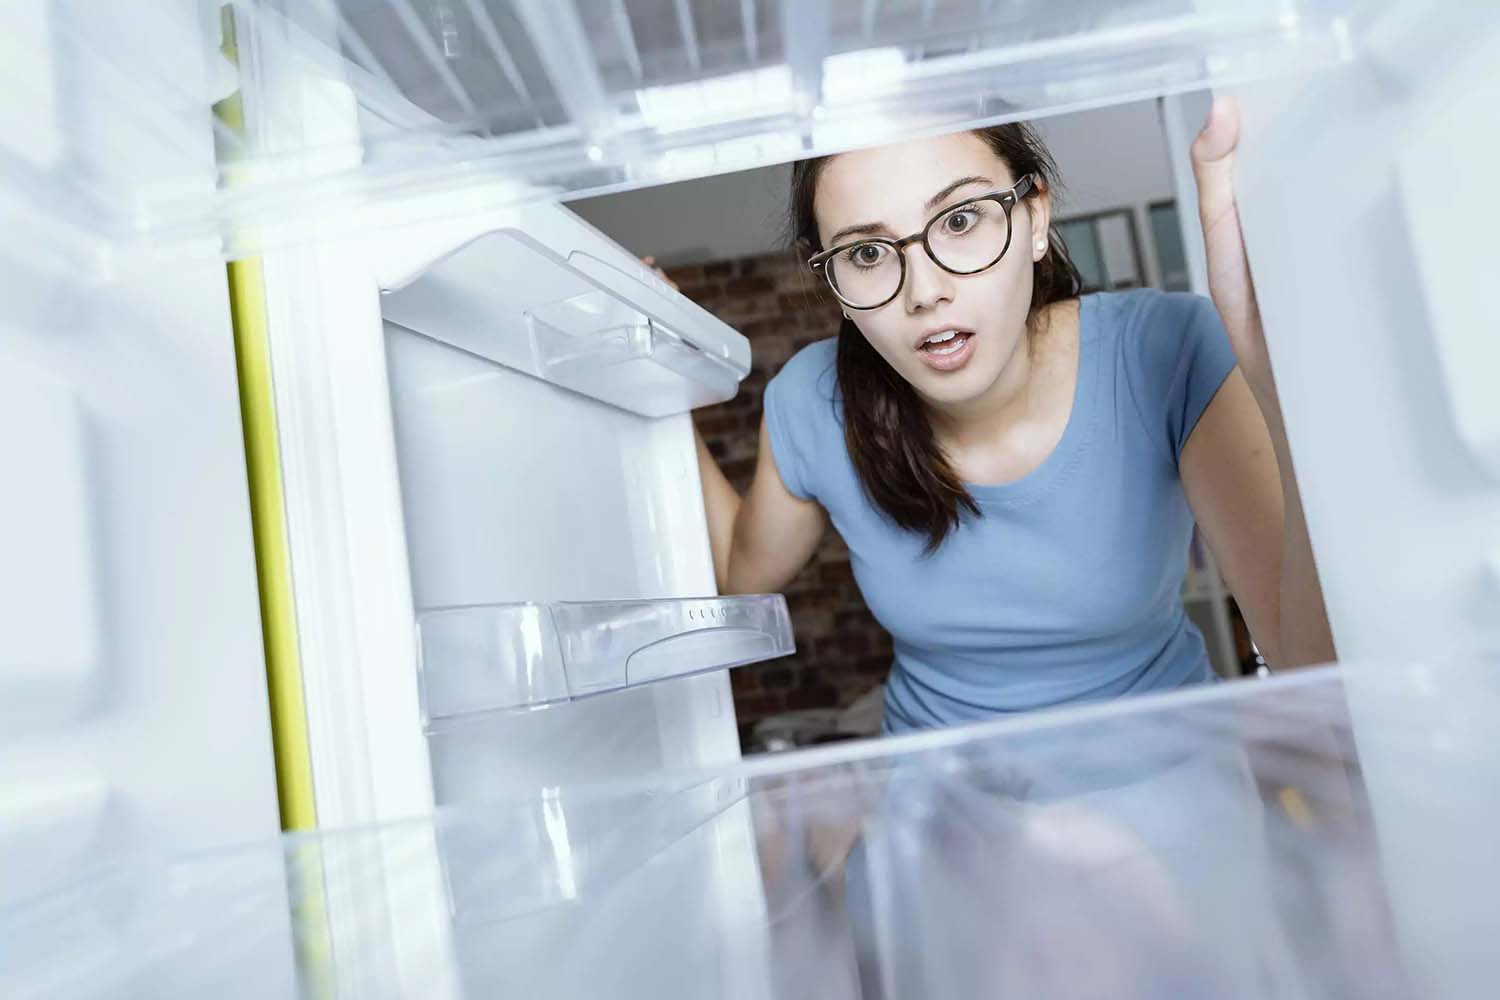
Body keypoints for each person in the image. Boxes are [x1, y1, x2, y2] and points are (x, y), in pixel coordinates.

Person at [690, 98, 1335, 736]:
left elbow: (1308, 663)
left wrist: (1275, 390)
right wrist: (666, 397)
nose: (924, 291)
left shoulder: (1167, 351)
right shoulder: (814, 401)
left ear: (1033, 220)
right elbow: (739, 575)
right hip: (943, 808)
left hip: (1167, 784)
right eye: (866, 254)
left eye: (961, 219)